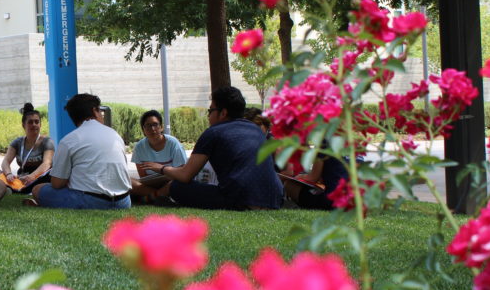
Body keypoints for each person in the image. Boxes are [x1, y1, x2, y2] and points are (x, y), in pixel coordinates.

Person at [142, 86, 283, 210]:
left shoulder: (214, 132)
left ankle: (150, 198)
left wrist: (160, 168)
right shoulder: (255, 129)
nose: (208, 116)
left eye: (211, 110)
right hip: (275, 199)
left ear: (223, 113)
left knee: (177, 186)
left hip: (241, 200)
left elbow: (186, 175)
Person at [31, 93, 132, 210]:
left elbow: (57, 183)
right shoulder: (115, 135)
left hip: (91, 202)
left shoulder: (69, 140)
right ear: (94, 111)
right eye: (100, 111)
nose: (101, 115)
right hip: (124, 201)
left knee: (38, 189)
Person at [130, 110, 187, 201]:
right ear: (143, 130)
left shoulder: (173, 143)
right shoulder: (139, 147)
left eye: (155, 124)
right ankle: (161, 196)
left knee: (176, 182)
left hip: (170, 181)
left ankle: (150, 197)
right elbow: (143, 177)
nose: (152, 129)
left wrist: (160, 168)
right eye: (148, 126)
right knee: (128, 182)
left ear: (161, 127)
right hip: (150, 184)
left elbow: (182, 173)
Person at [0, 103, 55, 193]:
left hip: (40, 178)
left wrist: (31, 177)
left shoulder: (47, 142)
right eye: (30, 122)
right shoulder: (17, 142)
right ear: (23, 125)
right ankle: (14, 187)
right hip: (22, 178)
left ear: (40, 125)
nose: (34, 124)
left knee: (36, 184)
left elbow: (47, 164)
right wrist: (8, 174)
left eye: (37, 122)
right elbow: (5, 161)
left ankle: (13, 189)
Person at [282, 146, 349, 211]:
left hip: (331, 201)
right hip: (348, 199)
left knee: (289, 184)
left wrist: (299, 176)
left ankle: (300, 207)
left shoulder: (322, 148)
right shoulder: (345, 147)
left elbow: (312, 178)